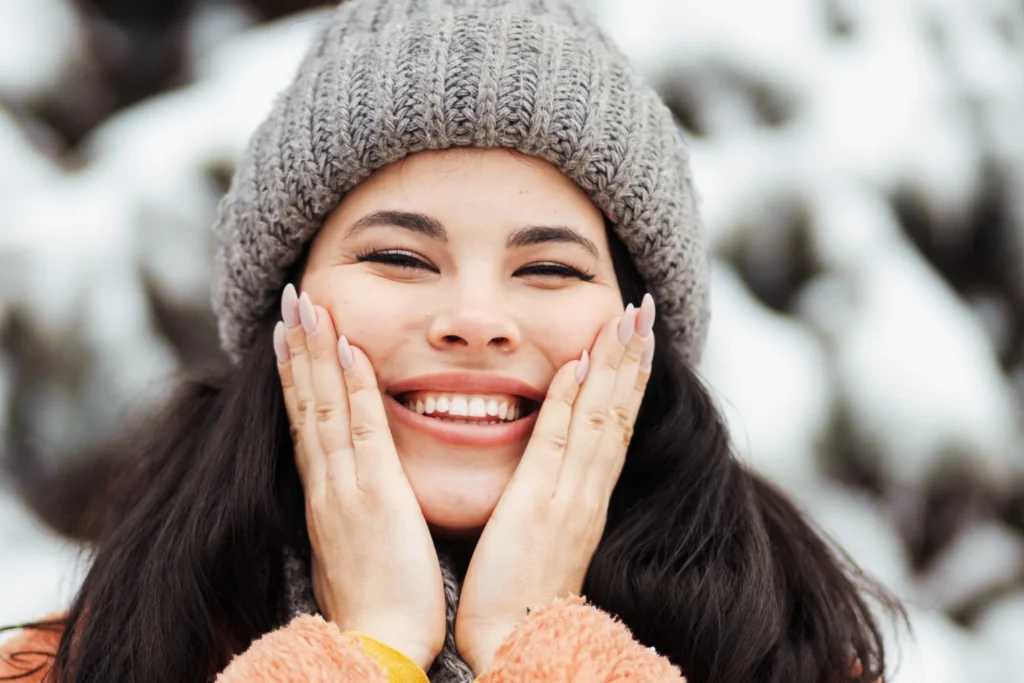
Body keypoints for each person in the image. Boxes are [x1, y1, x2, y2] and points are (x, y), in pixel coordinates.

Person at [0, 0, 902, 681]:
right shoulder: (70, 662)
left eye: (549, 269)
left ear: (641, 333)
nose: (475, 318)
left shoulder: (802, 660)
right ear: (287, 308)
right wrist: (369, 648)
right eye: (399, 255)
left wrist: (538, 643)